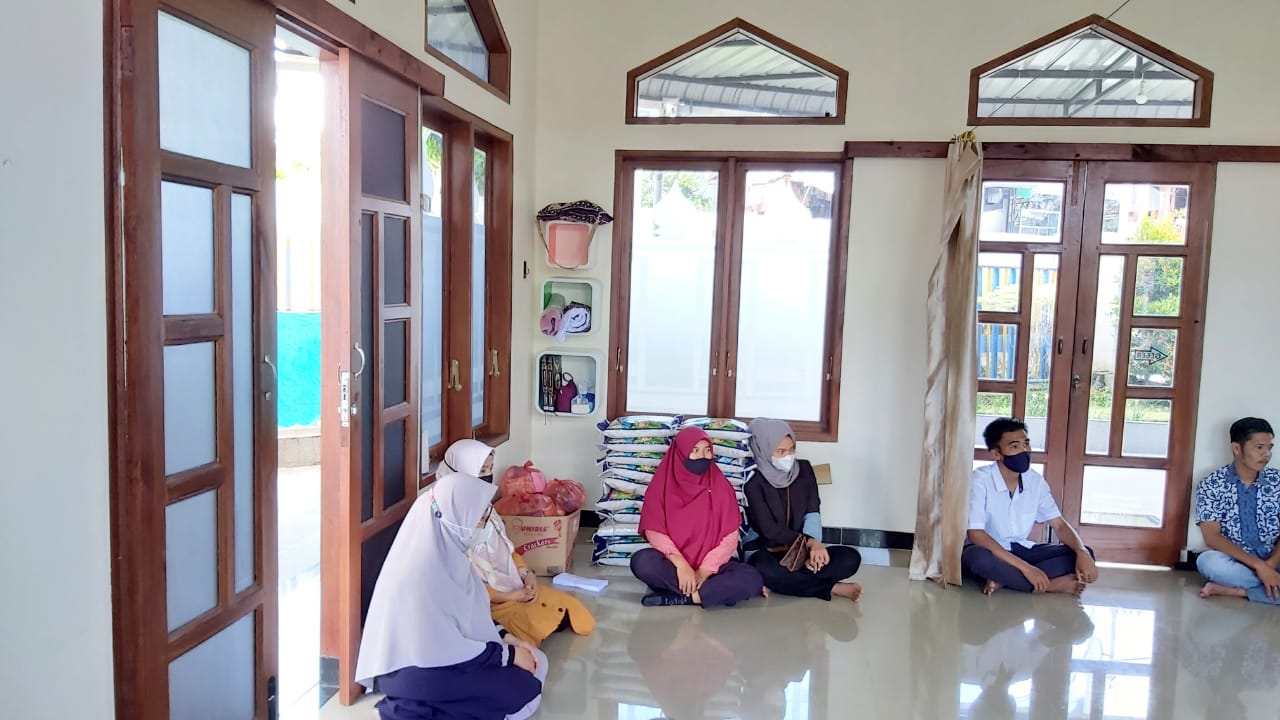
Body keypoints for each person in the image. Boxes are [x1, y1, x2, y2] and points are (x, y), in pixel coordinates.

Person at [355, 468, 548, 720]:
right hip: (417, 671)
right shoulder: (419, 573)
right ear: (454, 519)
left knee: (537, 661)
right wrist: (508, 656)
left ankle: (422, 708)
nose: (484, 527)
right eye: (479, 519)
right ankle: (413, 707)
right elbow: (440, 648)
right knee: (524, 689)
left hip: (445, 662)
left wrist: (509, 639)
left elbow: (470, 616)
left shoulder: (451, 556)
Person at [442, 440, 596, 646]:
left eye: (490, 469)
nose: (487, 476)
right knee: (527, 625)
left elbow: (507, 550)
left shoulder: (487, 508)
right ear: (460, 472)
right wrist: (511, 596)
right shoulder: (450, 520)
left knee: (569, 606)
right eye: (482, 470)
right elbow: (465, 583)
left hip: (513, 586)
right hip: (486, 602)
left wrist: (526, 574)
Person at [629, 426, 766, 607]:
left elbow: (730, 537)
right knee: (642, 562)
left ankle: (682, 597)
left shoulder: (721, 486)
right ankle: (709, 594)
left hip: (713, 569)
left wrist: (705, 570)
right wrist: (681, 564)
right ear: (680, 453)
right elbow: (655, 531)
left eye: (707, 450)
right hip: (673, 565)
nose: (703, 456)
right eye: (695, 450)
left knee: (751, 578)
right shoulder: (661, 486)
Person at [962, 417, 1099, 595]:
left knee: (1083, 553)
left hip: (1021, 549)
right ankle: (1048, 585)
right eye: (1015, 446)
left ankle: (1005, 579)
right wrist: (1027, 569)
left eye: (1026, 444)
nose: (1024, 451)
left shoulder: (1035, 481)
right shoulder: (980, 480)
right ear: (996, 454)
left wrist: (1081, 552)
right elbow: (976, 535)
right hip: (990, 551)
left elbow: (1059, 525)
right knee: (977, 559)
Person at [743, 418, 863, 601]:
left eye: (792, 449)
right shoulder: (752, 479)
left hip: (801, 549)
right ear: (762, 449)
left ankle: (784, 583)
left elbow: (812, 512)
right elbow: (768, 529)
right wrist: (809, 542)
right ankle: (832, 588)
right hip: (765, 551)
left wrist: (812, 551)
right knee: (762, 569)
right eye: (781, 452)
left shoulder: (804, 470)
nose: (788, 457)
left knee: (850, 558)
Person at [1194, 417, 1280, 604]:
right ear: (1236, 448)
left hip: (1275, 558)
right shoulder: (1212, 484)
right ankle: (1270, 587)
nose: (1266, 454)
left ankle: (1237, 591)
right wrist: (1259, 566)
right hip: (1238, 562)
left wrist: (1270, 565)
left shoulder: (1277, 481)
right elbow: (1212, 537)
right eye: (1259, 447)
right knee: (1208, 562)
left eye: (1269, 448)